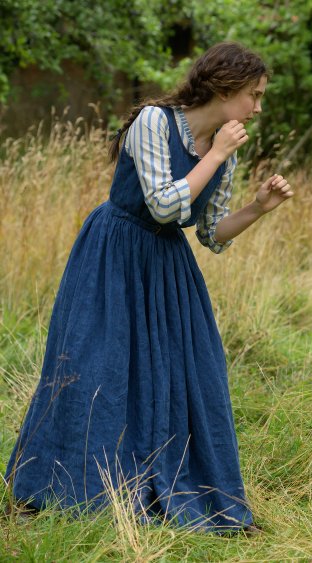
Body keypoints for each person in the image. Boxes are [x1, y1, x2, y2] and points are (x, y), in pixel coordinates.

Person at [5, 42, 293, 532]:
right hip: (113, 253)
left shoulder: (224, 152)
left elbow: (209, 233)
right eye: (254, 95)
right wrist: (218, 152)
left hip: (166, 265)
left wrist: (257, 209)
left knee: (190, 372)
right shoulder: (155, 123)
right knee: (97, 366)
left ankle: (181, 491)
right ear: (224, 88)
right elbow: (163, 206)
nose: (258, 107)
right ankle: (54, 490)